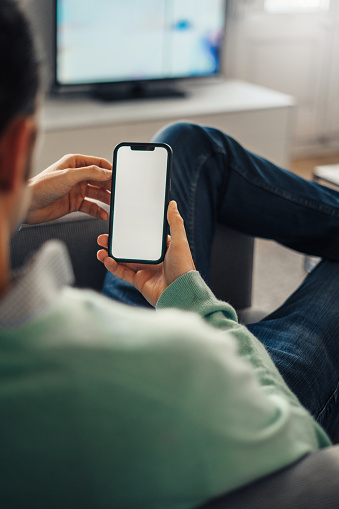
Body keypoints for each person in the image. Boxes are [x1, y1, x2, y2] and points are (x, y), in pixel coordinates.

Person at [1, 0, 339, 507]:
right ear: (15, 147)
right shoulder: (181, 363)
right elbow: (305, 451)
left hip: (129, 367)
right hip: (235, 393)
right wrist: (189, 297)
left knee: (186, 142)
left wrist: (18, 202)